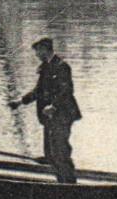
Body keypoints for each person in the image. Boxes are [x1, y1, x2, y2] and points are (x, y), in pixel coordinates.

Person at [9, 37, 81, 184]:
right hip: (50, 118)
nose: (36, 54)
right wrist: (21, 101)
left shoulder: (62, 66)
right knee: (49, 154)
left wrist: (53, 106)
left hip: (62, 116)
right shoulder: (45, 67)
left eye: (37, 50)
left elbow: (66, 91)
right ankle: (61, 181)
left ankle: (69, 185)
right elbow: (38, 91)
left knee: (60, 152)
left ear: (44, 49)